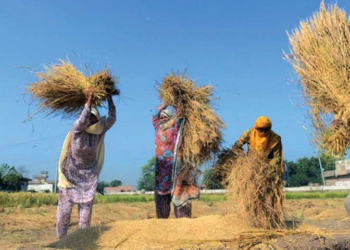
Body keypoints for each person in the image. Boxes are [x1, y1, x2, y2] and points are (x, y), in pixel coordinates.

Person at [56, 86, 116, 239]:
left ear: (97, 120)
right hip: (70, 174)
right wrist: (88, 101)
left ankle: (82, 240)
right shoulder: (77, 129)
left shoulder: (98, 131)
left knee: (85, 212)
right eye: (89, 117)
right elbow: (82, 120)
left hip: (88, 176)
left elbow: (112, 119)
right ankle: (61, 240)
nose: (90, 120)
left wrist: (110, 99)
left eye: (93, 118)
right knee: (64, 211)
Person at [152, 102, 193, 219]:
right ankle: (162, 218)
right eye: (162, 117)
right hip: (161, 168)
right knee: (161, 194)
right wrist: (163, 106)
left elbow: (180, 114)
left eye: (166, 116)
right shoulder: (158, 128)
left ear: (170, 117)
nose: (163, 118)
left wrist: (176, 101)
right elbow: (155, 117)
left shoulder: (175, 127)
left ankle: (182, 219)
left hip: (174, 166)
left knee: (178, 190)